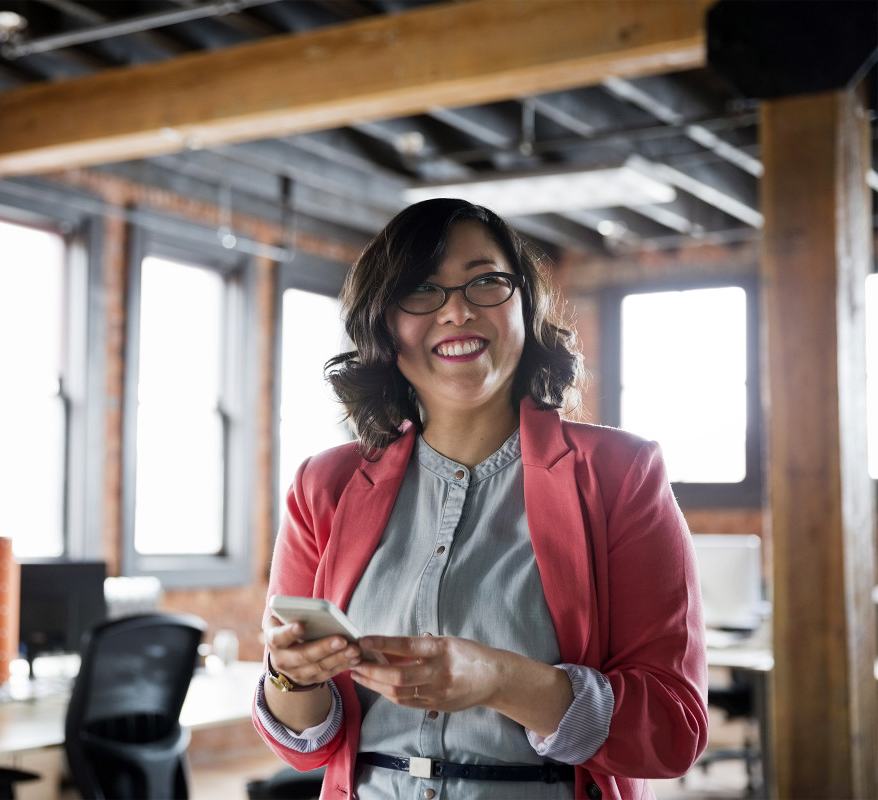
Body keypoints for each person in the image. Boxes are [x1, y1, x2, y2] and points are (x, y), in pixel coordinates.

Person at [252, 199, 708, 800]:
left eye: (485, 281)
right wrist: (292, 677)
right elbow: (303, 742)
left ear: (524, 303)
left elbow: (673, 728)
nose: (458, 311)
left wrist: (499, 679)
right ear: (383, 324)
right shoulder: (324, 486)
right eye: (422, 291)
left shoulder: (622, 474)